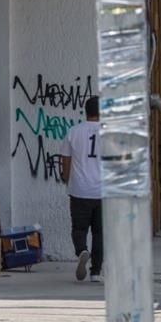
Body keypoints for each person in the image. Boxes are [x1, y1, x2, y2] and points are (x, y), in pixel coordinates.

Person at [61, 96, 102, 282]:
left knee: (79, 228)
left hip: (79, 190)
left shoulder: (73, 132)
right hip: (102, 191)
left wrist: (66, 178)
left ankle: (82, 250)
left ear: (86, 111)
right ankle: (96, 272)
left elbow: (66, 160)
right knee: (100, 233)